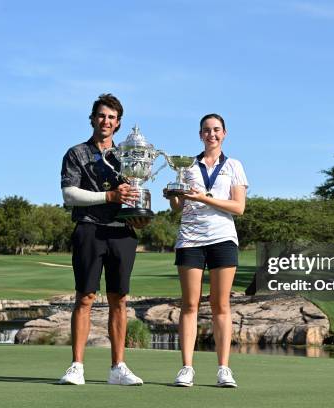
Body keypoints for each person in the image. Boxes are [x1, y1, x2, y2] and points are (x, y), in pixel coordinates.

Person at [58, 93, 148, 386]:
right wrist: (108, 196)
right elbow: (69, 195)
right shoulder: (76, 153)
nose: (105, 121)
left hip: (121, 232)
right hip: (89, 229)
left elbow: (136, 192)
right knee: (84, 297)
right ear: (92, 119)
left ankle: (117, 367)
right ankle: (77, 366)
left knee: (119, 299)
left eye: (111, 117)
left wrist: (139, 214)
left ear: (118, 123)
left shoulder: (128, 155)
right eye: (101, 115)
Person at [165, 113, 248, 388]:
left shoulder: (234, 165)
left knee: (220, 305)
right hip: (190, 239)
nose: (211, 134)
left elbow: (238, 207)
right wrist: (175, 196)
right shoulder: (187, 166)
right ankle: (187, 368)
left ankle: (224, 369)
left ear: (224, 133)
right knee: (189, 304)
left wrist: (205, 198)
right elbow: (177, 209)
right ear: (200, 134)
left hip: (223, 239)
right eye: (206, 130)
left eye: (216, 130)